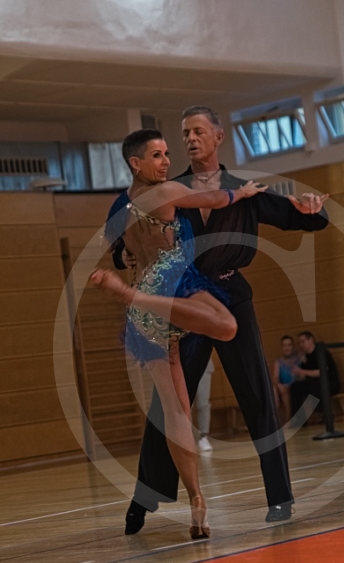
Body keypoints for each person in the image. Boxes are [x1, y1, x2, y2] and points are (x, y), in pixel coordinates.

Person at [114, 106, 329, 534]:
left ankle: (280, 497)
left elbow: (302, 218)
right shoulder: (169, 189)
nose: (190, 139)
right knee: (170, 404)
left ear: (218, 137)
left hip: (232, 296)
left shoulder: (244, 190)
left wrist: (311, 208)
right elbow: (124, 243)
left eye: (198, 131)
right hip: (185, 300)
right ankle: (146, 497)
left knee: (258, 395)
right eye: (184, 133)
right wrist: (125, 256)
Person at [93, 128, 266, 537]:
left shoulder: (119, 206)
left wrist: (131, 253)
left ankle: (197, 498)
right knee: (227, 325)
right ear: (135, 162)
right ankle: (129, 296)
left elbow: (114, 243)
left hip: (147, 306)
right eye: (157, 155)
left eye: (167, 154)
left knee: (176, 411)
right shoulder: (166, 192)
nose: (166, 161)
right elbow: (214, 199)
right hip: (173, 288)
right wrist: (241, 193)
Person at [289, 331, 340, 427]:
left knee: (316, 385)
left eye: (303, 341)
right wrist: (296, 371)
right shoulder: (305, 357)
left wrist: (302, 371)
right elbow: (304, 376)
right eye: (299, 343)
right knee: (295, 386)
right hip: (313, 383)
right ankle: (299, 419)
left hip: (330, 383)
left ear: (311, 340)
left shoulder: (321, 352)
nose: (301, 345)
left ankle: (326, 415)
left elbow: (322, 372)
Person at [272, 336, 299, 424]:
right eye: (284, 345)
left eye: (289, 345)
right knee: (275, 389)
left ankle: (289, 418)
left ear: (293, 346)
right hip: (283, 388)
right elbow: (275, 378)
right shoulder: (278, 361)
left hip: (296, 385)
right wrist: (279, 385)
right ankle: (275, 420)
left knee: (291, 388)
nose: (287, 348)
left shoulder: (299, 358)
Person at [194, 357, 215, 451]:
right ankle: (187, 438)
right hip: (182, 366)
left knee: (203, 404)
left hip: (204, 365)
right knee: (185, 407)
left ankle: (204, 437)